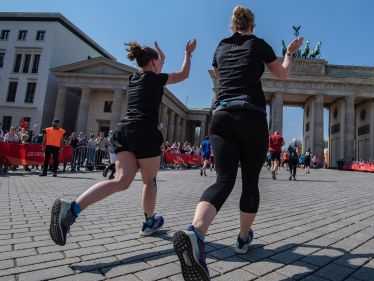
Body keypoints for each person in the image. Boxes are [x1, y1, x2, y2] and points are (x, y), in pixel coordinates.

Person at [172, 5, 303, 280]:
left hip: (220, 116)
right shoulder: (259, 44)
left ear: (233, 25)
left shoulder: (220, 46)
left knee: (223, 180)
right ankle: (243, 238)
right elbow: (283, 74)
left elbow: (219, 76)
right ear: (252, 26)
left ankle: (195, 232)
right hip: (251, 115)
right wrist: (289, 53)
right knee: (250, 181)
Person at [48, 39, 197, 246]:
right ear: (154, 63)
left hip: (124, 130)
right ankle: (148, 222)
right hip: (145, 132)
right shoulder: (156, 79)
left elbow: (152, 70)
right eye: (159, 62)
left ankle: (71, 210)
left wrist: (160, 57)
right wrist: (188, 54)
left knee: (121, 181)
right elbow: (184, 75)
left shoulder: (133, 78)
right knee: (149, 181)